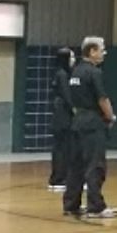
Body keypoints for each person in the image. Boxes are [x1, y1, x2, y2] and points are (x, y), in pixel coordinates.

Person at [63, 37, 117, 219]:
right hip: (93, 123)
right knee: (95, 165)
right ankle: (96, 207)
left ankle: (71, 204)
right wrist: (110, 116)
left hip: (77, 121)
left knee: (75, 166)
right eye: (101, 50)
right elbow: (102, 98)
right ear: (92, 51)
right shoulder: (94, 72)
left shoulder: (75, 72)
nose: (104, 53)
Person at [46, 47, 76, 191]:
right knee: (62, 149)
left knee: (62, 148)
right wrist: (75, 109)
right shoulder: (62, 75)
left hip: (60, 116)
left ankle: (61, 177)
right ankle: (58, 179)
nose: (74, 60)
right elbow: (67, 95)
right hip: (63, 117)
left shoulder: (59, 73)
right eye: (72, 57)